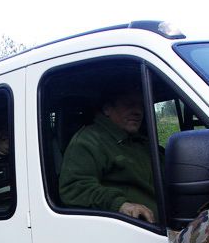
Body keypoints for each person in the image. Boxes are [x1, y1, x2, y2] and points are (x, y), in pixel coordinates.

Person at [59, 83, 157, 222]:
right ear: (107, 109)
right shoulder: (88, 141)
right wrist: (121, 205)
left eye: (141, 105)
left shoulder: (143, 142)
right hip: (134, 229)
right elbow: (74, 188)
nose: (137, 111)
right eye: (129, 104)